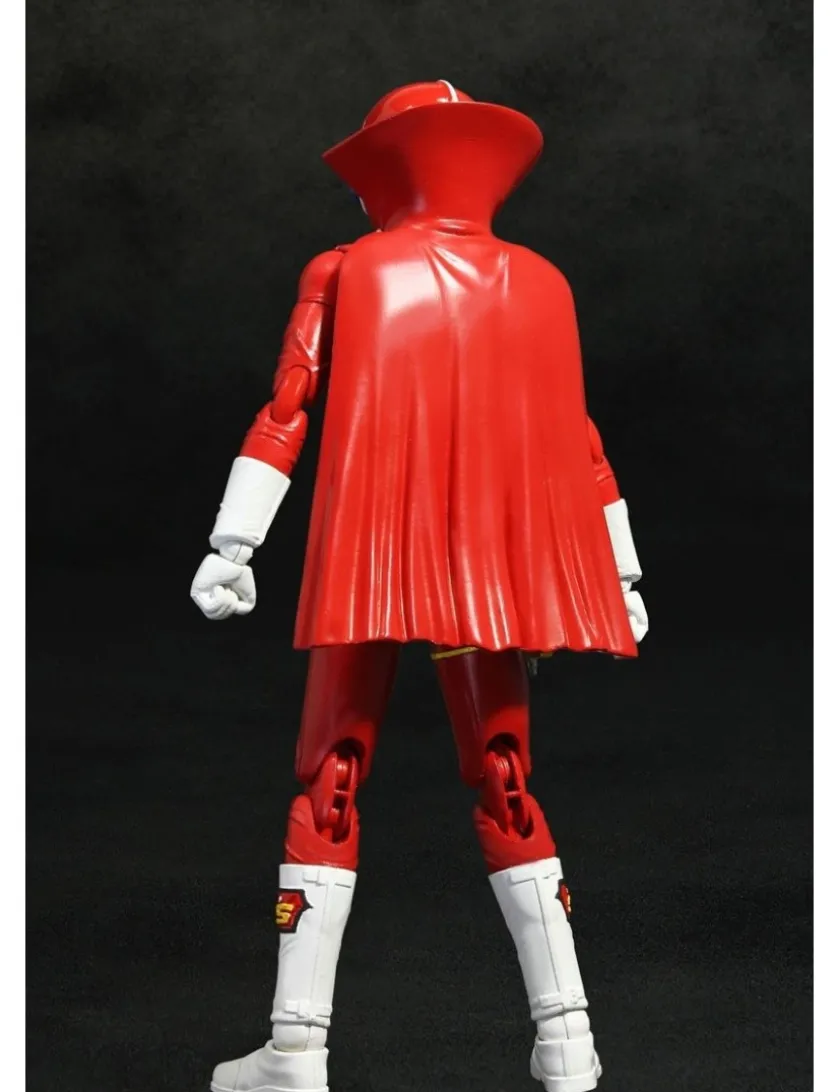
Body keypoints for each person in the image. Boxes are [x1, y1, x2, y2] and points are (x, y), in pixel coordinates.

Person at [191, 79, 648, 1092]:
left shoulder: (346, 269)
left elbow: (288, 407)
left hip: (373, 560)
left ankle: (297, 1048)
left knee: (330, 780)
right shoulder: (543, 284)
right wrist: (621, 567)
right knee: (507, 779)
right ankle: (569, 1041)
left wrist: (234, 541)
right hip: (485, 576)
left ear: (389, 169)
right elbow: (582, 442)